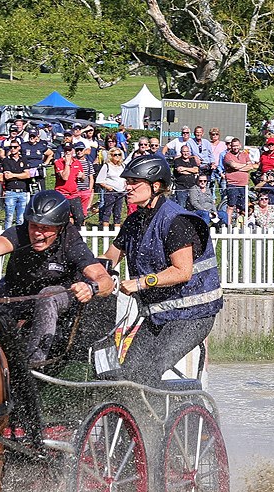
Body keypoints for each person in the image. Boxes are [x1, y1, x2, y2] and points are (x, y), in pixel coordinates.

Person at [0, 190, 114, 368]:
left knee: (47, 296)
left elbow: (104, 279)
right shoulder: (20, 233)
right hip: (17, 291)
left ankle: (33, 366)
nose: (38, 233)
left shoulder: (71, 242)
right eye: (34, 226)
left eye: (45, 228)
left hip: (59, 297)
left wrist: (91, 288)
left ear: (60, 227)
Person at [100, 154, 223, 386]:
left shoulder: (176, 220)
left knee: (147, 373)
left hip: (193, 316)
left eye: (134, 182)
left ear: (155, 186)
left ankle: (155, 423)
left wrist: (139, 283)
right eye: (127, 182)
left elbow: (181, 271)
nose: (128, 187)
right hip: (159, 315)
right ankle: (131, 420)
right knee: (128, 376)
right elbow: (110, 258)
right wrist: (87, 271)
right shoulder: (134, 221)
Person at [53, 143, 89, 224]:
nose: (68, 152)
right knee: (63, 218)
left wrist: (82, 176)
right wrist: (67, 163)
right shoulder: (58, 162)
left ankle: (76, 233)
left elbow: (83, 179)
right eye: (66, 150)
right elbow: (64, 177)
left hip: (74, 194)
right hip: (62, 194)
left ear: (73, 151)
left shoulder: (77, 162)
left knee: (80, 217)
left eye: (69, 150)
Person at [0, 139, 30, 228]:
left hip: (22, 192)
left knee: (21, 218)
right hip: (10, 192)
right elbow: (7, 176)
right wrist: (20, 175)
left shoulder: (23, 159)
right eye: (11, 147)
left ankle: (19, 239)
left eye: (15, 147)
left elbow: (27, 175)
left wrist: (13, 175)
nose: (13, 149)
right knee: (9, 217)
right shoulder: (6, 160)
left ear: (19, 148)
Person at [95, 148, 127, 229]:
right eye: (115, 155)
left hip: (121, 192)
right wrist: (108, 187)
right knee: (107, 211)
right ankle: (105, 231)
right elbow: (99, 180)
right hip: (111, 192)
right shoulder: (107, 166)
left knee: (118, 212)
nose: (117, 156)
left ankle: (116, 232)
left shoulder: (123, 166)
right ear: (111, 156)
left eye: (119, 154)